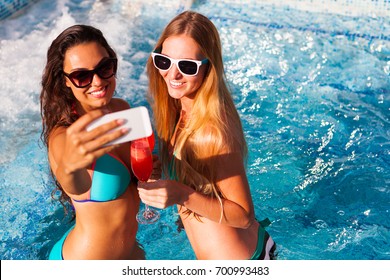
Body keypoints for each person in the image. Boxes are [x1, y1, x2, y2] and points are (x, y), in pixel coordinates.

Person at [138, 11, 276, 260]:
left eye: (187, 66)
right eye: (164, 61)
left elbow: (244, 216)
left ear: (208, 68)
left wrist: (182, 194)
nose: (173, 75)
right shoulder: (180, 108)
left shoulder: (213, 130)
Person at [40, 24, 144, 259]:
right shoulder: (65, 136)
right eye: (81, 76)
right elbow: (74, 184)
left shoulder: (122, 109)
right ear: (66, 81)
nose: (97, 81)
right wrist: (71, 167)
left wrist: (151, 169)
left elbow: (139, 174)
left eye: (104, 67)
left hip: (131, 254)